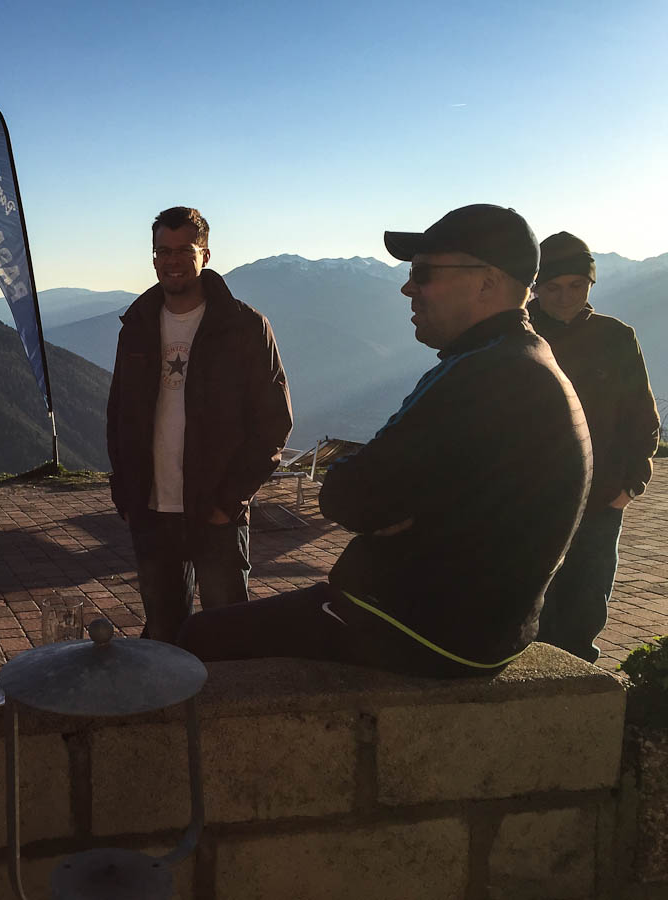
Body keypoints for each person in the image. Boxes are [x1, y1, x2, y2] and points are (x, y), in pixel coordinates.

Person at [179, 205, 591, 678]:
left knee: (198, 638)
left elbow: (349, 497)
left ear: (487, 283)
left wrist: (385, 501)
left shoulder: (482, 375)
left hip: (421, 628)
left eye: (423, 272)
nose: (408, 288)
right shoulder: (523, 359)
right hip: (489, 631)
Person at [107, 207, 293, 643]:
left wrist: (230, 501)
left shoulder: (245, 326)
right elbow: (119, 413)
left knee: (228, 637)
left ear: (205, 255)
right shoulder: (136, 325)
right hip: (151, 510)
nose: (172, 261)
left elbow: (274, 422)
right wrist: (125, 491)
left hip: (216, 513)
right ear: (153, 257)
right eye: (163, 251)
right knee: (162, 636)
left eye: (183, 250)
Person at [529, 233, 660, 662]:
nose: (566, 297)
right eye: (553, 286)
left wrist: (631, 485)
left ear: (591, 284)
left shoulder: (616, 337)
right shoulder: (517, 336)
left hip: (600, 498)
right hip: (529, 500)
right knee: (528, 598)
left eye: (577, 285)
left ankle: (582, 678)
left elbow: (642, 418)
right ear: (535, 286)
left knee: (587, 595)